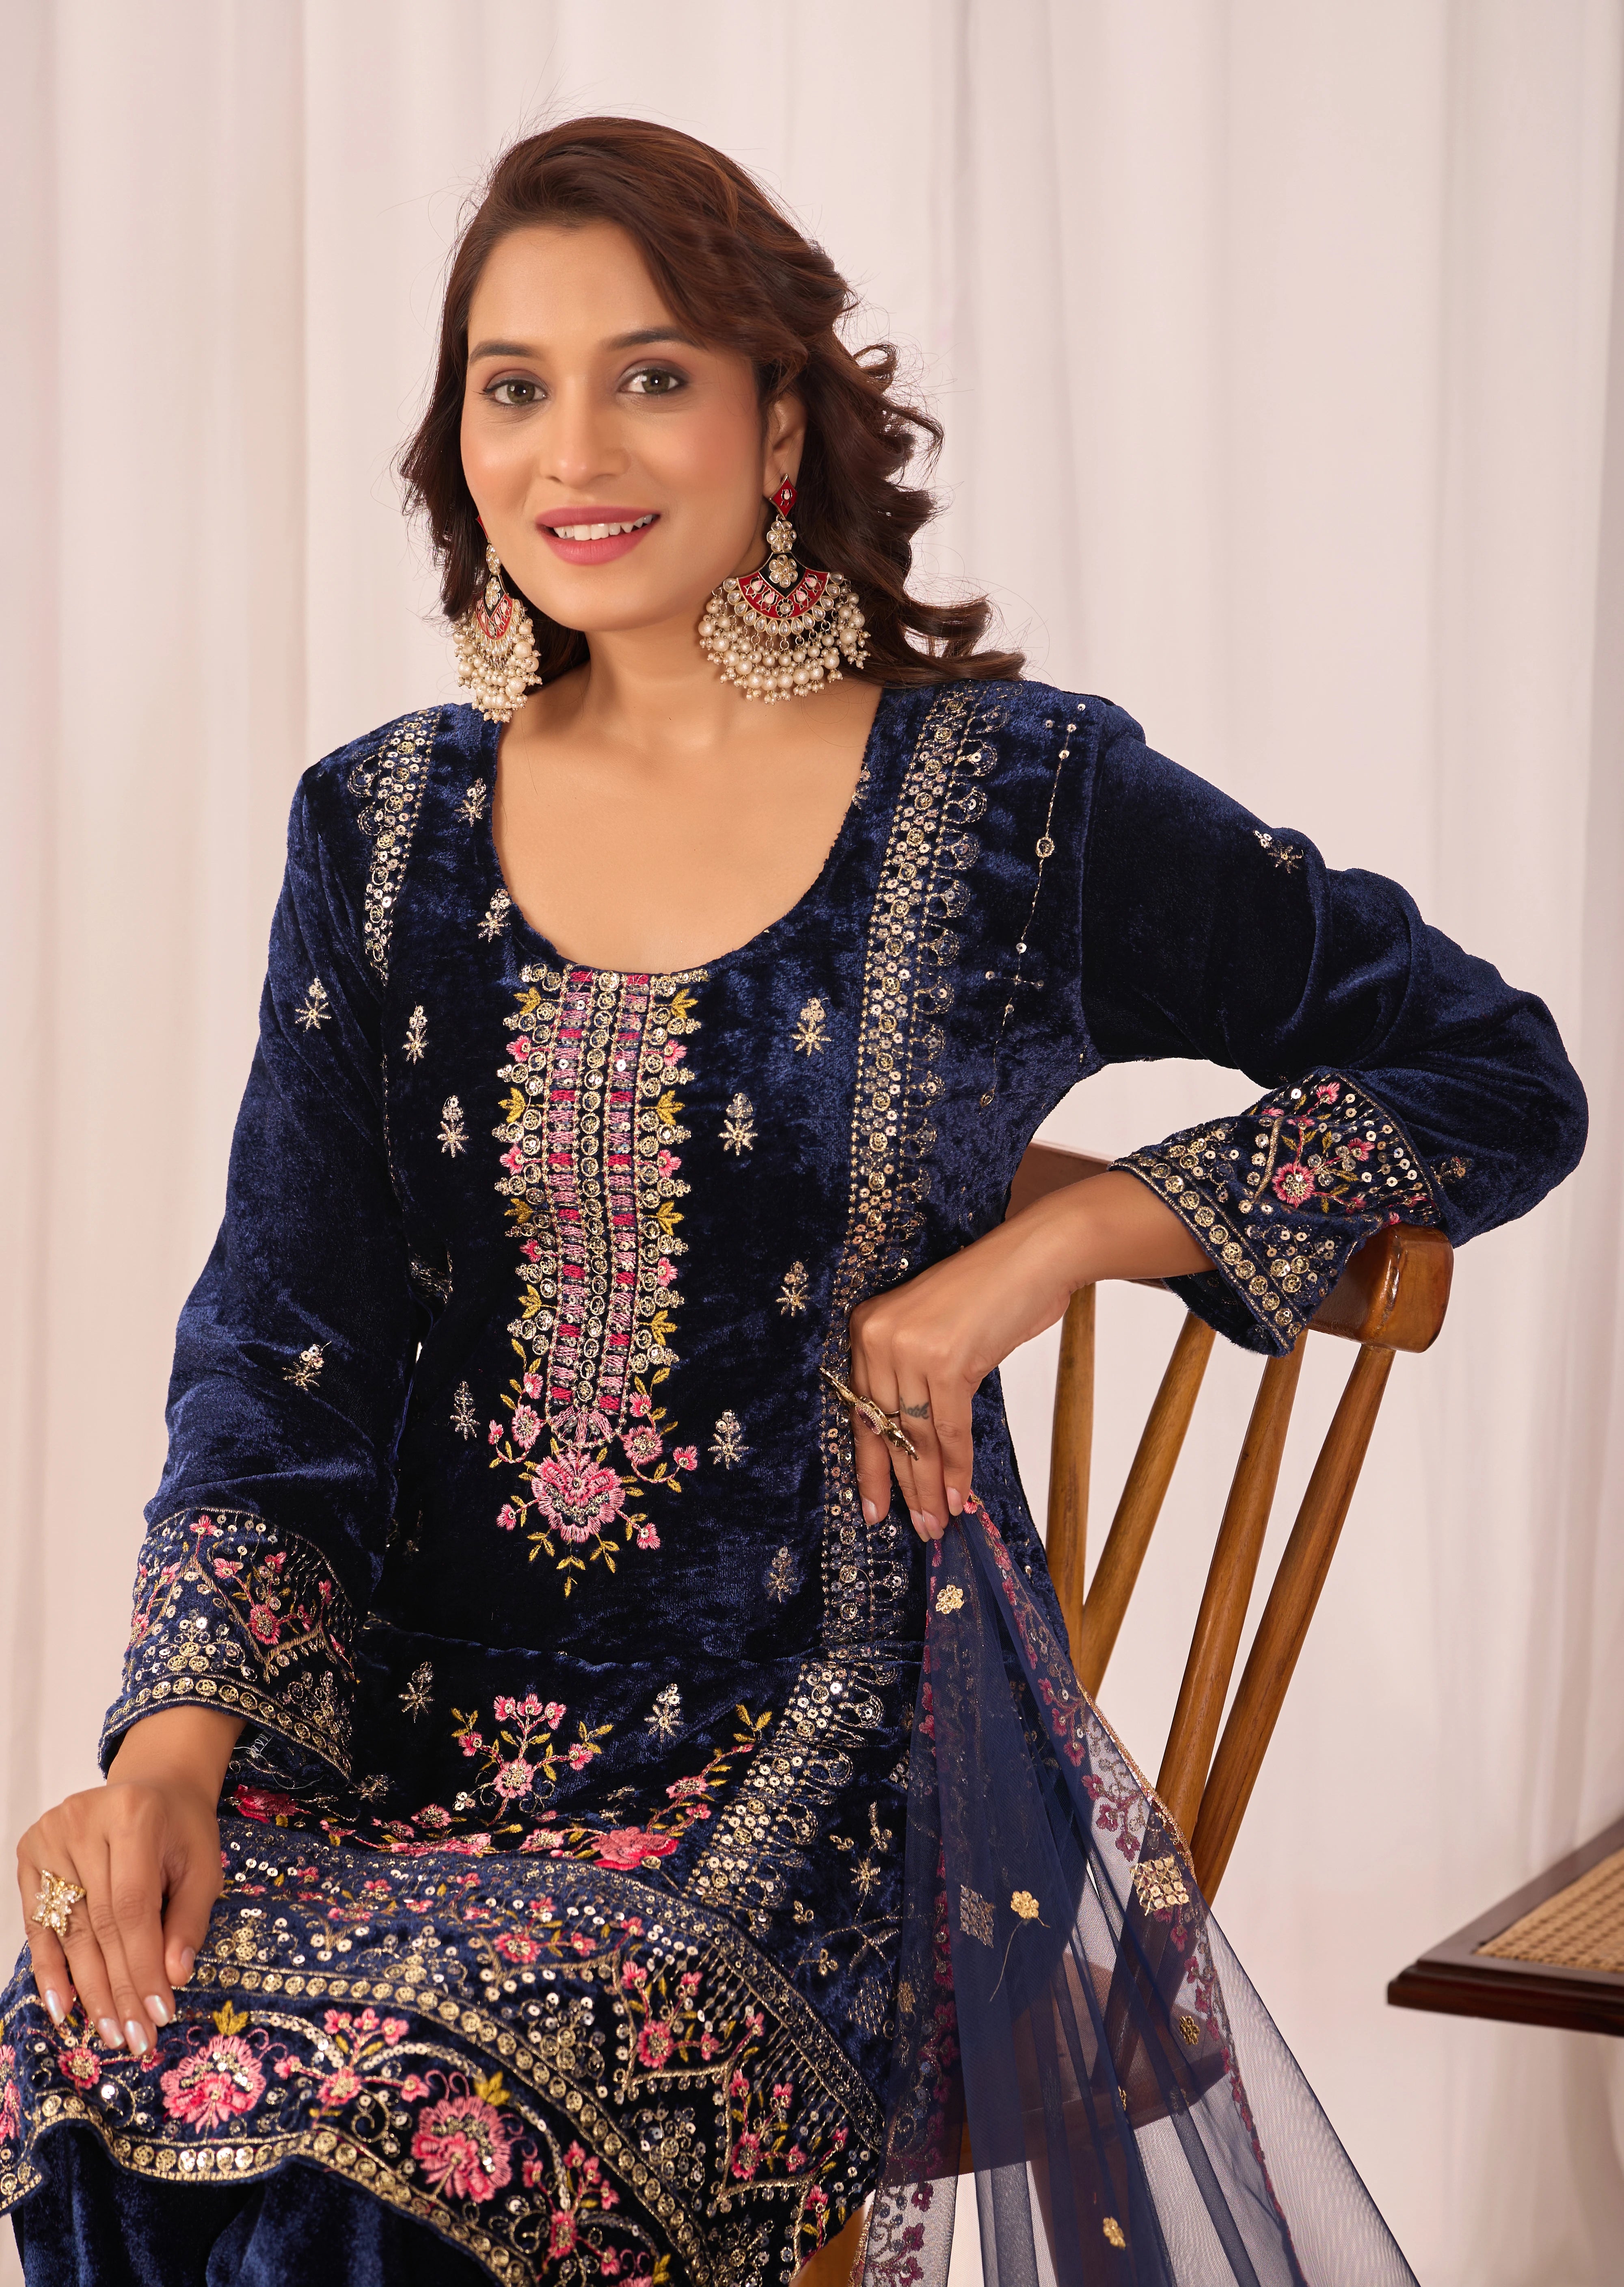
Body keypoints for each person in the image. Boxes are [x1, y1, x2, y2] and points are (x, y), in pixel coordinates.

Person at [0, 117, 1585, 2287]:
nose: (577, 444)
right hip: (391, 1752)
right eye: (512, 381)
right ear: (455, 440)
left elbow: (1489, 1072)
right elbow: (284, 1354)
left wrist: (1052, 1248)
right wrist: (168, 1766)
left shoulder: (1016, 803)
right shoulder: (377, 832)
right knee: (103, 2035)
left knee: (432, 2125)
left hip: (834, 1773)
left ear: (780, 422)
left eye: (650, 373)